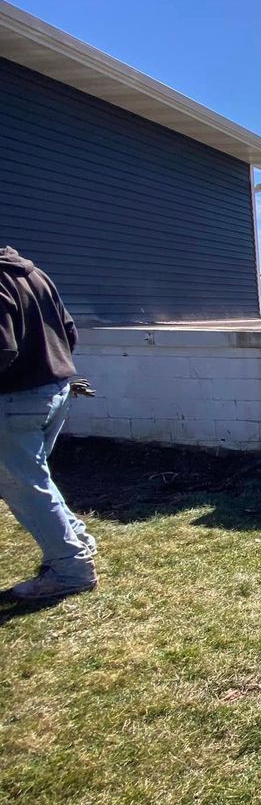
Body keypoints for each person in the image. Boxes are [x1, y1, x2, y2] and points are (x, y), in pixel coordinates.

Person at [0, 246, 96, 602]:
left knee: (22, 485)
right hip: (54, 390)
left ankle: (71, 569)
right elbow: (68, 332)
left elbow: (2, 349)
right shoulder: (33, 275)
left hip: (13, 398)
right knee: (33, 477)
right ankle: (78, 543)